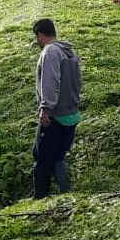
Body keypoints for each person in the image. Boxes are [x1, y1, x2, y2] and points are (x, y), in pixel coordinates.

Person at [31, 18, 82, 199]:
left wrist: (45, 109)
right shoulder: (69, 52)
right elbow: (78, 82)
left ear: (39, 34)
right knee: (57, 156)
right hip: (71, 114)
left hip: (55, 115)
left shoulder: (50, 52)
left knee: (41, 158)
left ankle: (40, 198)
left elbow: (51, 82)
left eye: (36, 37)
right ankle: (66, 194)